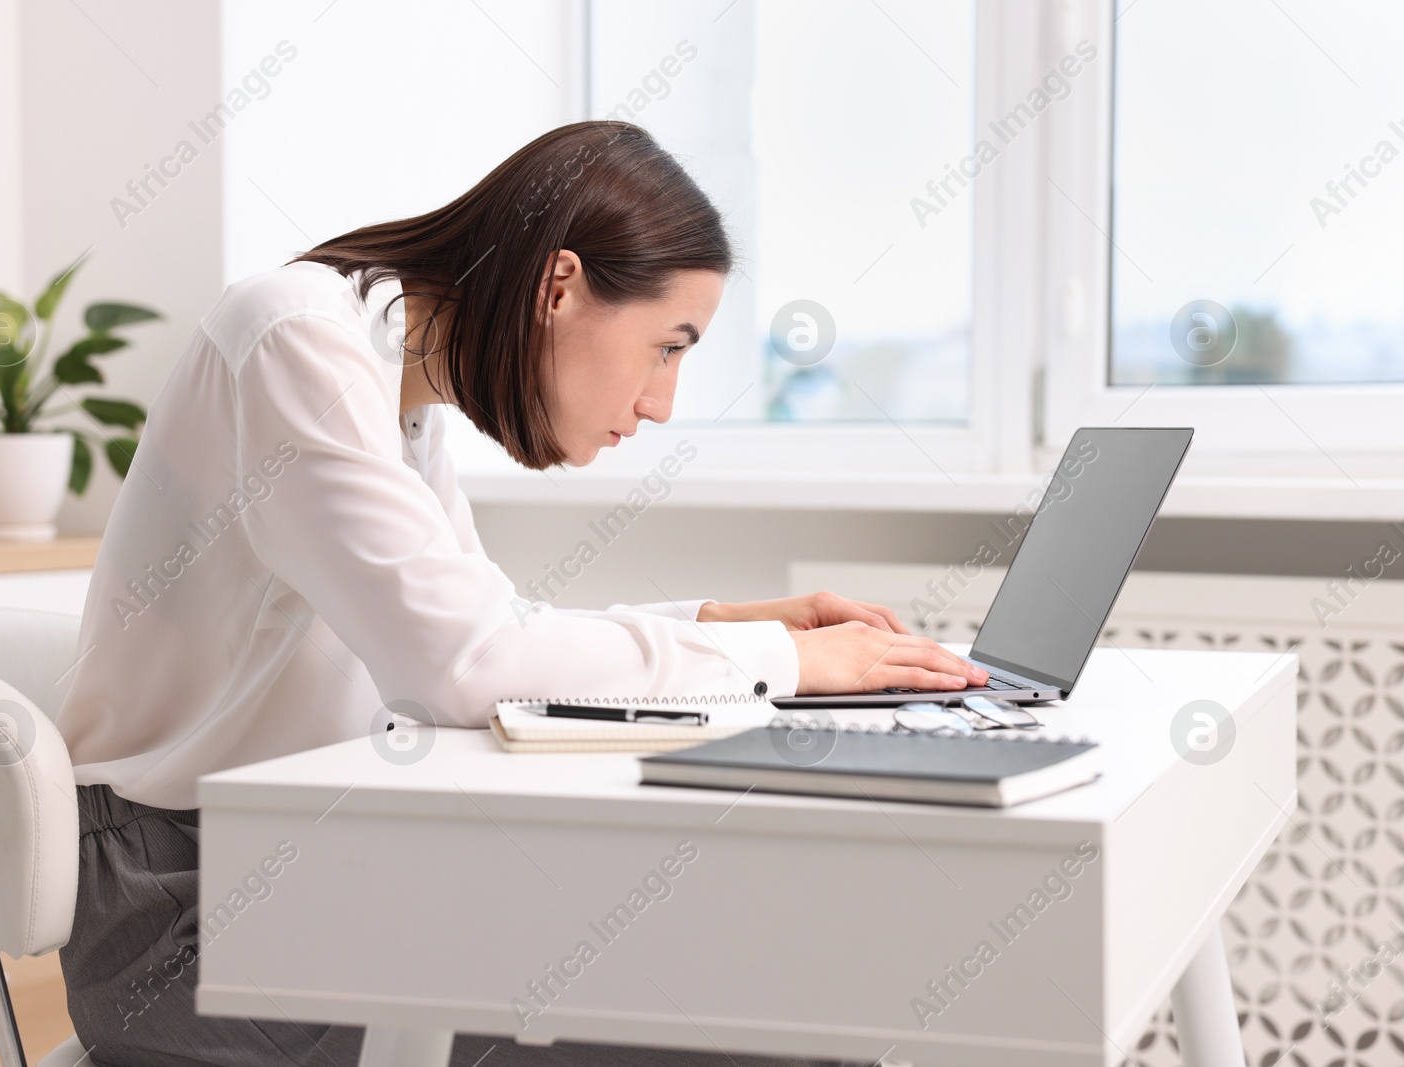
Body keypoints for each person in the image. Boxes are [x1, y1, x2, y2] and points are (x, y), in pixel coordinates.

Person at [54, 120, 986, 1066]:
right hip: (185, 926)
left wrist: (722, 623)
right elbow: (469, 668)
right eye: (668, 346)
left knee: (767, 1000)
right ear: (560, 285)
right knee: (753, 1032)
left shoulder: (399, 397)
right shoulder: (296, 341)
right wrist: (785, 662)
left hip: (302, 869)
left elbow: (493, 633)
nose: (663, 401)